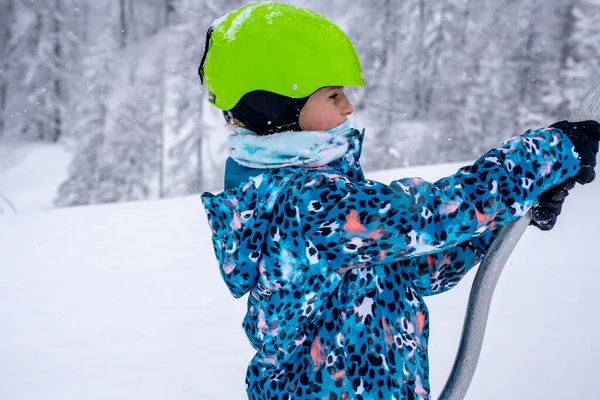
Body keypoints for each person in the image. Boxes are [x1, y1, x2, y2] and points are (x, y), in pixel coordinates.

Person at [199, 3, 600, 399]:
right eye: (334, 95)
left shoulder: (314, 195)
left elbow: (419, 267)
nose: (348, 106)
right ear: (278, 105)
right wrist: (547, 152)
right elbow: (429, 216)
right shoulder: (308, 204)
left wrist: (506, 215)